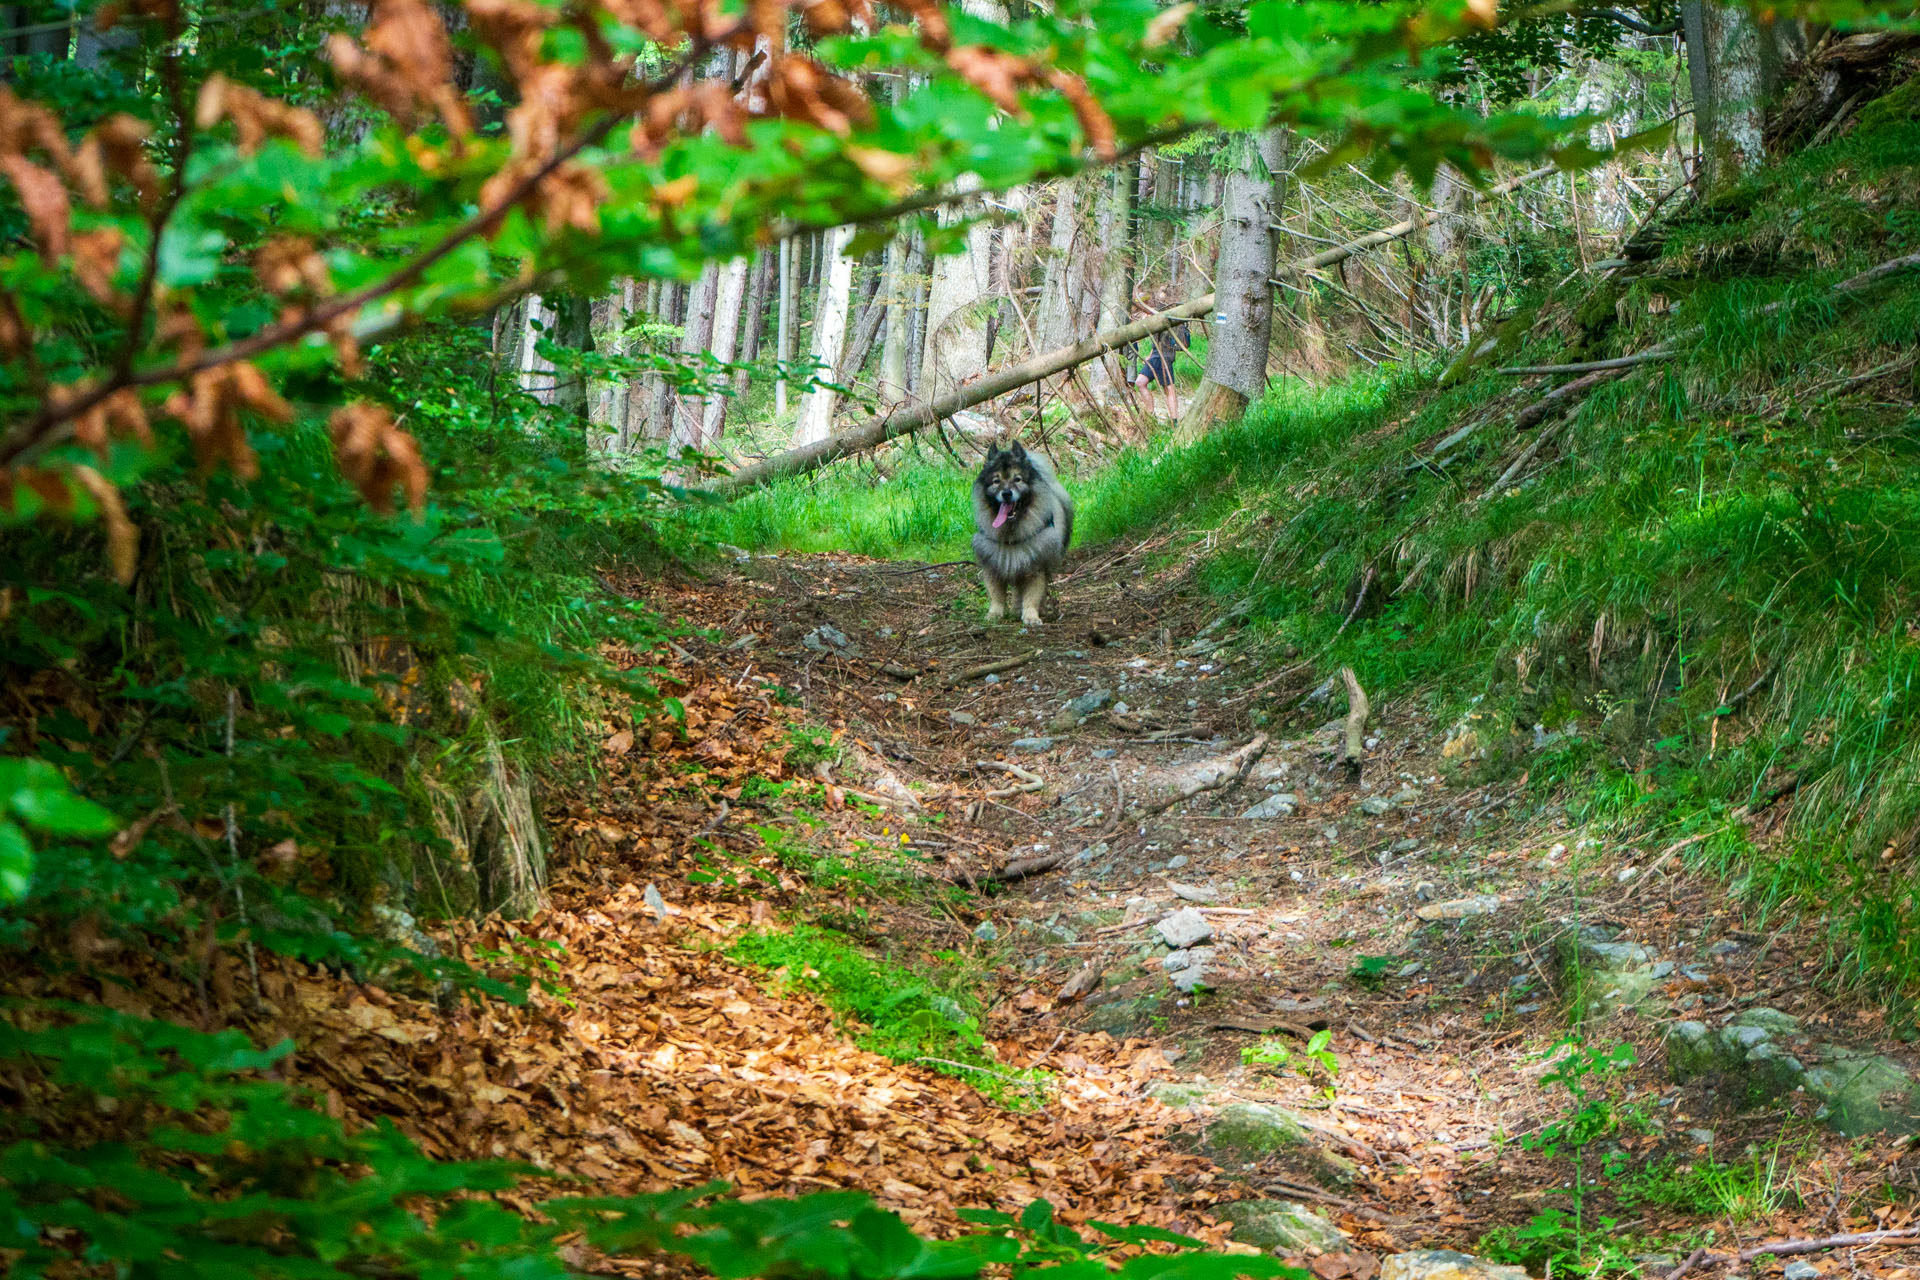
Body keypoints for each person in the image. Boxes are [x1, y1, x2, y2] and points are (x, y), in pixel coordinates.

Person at [1131, 291, 1190, 418]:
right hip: (1157, 355)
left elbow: (1164, 339)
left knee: (1168, 388)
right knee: (1142, 383)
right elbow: (1157, 340)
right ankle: (1151, 415)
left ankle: (1172, 419)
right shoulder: (1155, 315)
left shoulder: (1160, 314)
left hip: (1164, 355)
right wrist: (1150, 355)